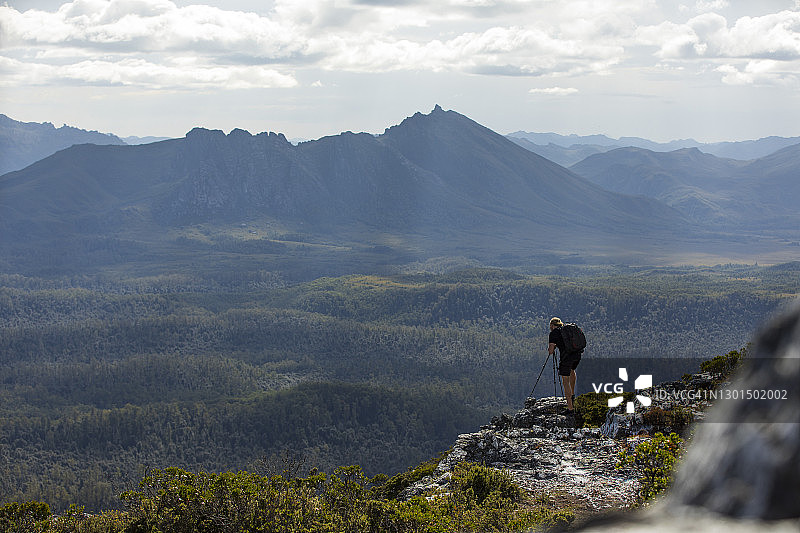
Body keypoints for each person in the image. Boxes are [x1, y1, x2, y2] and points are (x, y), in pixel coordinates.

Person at [548, 317, 580, 413]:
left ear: (552, 325)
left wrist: (553, 347)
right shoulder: (568, 329)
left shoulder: (554, 333)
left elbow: (550, 351)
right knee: (572, 371)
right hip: (577, 354)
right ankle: (573, 394)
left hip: (566, 357)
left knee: (565, 380)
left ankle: (570, 408)